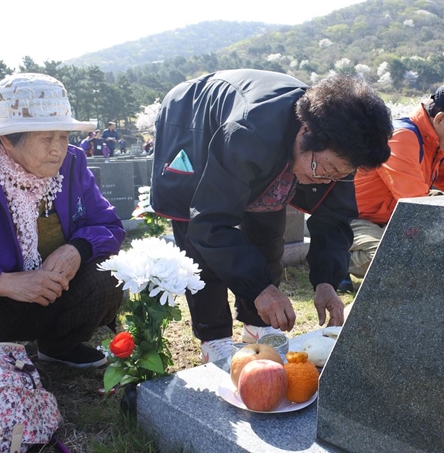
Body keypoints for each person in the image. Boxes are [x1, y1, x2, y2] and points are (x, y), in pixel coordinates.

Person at [150, 69, 392, 363]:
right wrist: (258, 288)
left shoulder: (339, 148)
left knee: (268, 226)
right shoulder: (248, 133)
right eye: (325, 170)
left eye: (341, 174)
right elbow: (210, 224)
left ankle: (256, 326)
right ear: (306, 134)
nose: (327, 180)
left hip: (266, 146)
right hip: (191, 121)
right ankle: (214, 338)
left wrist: (326, 280)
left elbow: (334, 219)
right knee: (200, 243)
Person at [0, 73, 126, 368]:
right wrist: (1, 282)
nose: (58, 149)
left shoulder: (72, 164)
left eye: (63, 136)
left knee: (108, 274)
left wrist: (78, 248)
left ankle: (59, 346)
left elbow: (108, 225)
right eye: (46, 138)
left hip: (51, 294)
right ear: (6, 140)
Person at [349, 82, 444, 278]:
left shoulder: (436, 146)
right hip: (358, 218)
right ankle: (332, 254)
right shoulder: (401, 138)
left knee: (441, 213)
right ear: (441, 119)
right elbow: (415, 203)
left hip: (391, 219)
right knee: (387, 261)